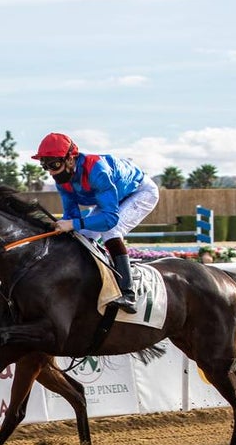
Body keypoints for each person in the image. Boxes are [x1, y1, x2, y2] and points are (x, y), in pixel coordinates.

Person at [31, 132, 160, 314]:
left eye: (54, 165)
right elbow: (72, 216)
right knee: (81, 236)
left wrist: (72, 224)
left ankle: (128, 292)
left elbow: (109, 219)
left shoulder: (97, 170)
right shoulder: (63, 181)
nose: (51, 172)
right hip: (111, 199)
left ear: (70, 158)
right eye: (46, 166)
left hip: (140, 192)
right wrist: (65, 226)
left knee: (111, 231)